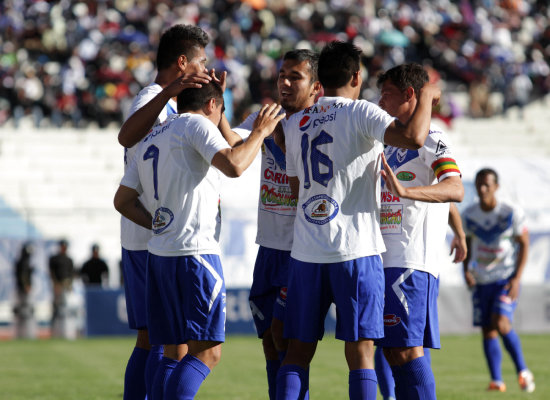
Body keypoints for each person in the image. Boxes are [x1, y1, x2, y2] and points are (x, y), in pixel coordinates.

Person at [277, 41, 440, 400]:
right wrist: (427, 95)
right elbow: (413, 137)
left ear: (319, 79)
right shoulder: (361, 112)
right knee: (362, 354)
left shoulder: (295, 122)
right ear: (356, 76)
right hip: (356, 249)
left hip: (306, 252)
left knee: (297, 353)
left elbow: (293, 188)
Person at [114, 81, 285, 399]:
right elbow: (234, 165)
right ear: (211, 106)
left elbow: (122, 201)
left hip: (160, 255)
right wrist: (260, 132)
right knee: (208, 352)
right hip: (195, 254)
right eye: (221, 111)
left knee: (171, 352)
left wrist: (160, 224)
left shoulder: (154, 135)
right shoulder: (195, 123)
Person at [117, 24, 213, 400]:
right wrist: (169, 93)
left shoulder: (170, 103)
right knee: (160, 338)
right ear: (182, 62)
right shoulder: (153, 96)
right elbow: (128, 136)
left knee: (161, 338)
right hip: (151, 234)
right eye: (202, 61)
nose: (206, 69)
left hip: (156, 232)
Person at [228, 49, 321, 400]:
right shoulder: (266, 116)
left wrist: (277, 140)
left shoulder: (321, 122)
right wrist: (220, 114)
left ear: (316, 87)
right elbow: (233, 144)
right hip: (268, 246)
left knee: (287, 337)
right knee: (269, 339)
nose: (284, 82)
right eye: (282, 74)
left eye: (294, 76)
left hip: (302, 249)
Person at [374, 63, 464, 400]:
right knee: (392, 350)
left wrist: (406, 192)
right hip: (383, 257)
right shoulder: (385, 140)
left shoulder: (433, 138)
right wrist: (460, 232)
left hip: (411, 260)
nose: (380, 102)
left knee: (407, 351)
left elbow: (454, 189)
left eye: (387, 95)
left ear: (410, 95)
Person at [462, 168, 535, 393]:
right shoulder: (469, 215)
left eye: (487, 185)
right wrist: (466, 270)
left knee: (501, 322)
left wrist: (517, 278)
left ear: (496, 187)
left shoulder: (509, 213)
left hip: (506, 278)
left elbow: (524, 242)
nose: (482, 189)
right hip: (482, 279)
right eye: (479, 185)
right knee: (488, 329)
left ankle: (523, 372)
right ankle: (497, 381)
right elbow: (466, 243)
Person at [48, 239, 75, 337]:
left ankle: (67, 331)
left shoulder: (69, 259)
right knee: (56, 308)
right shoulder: (55, 259)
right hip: (58, 285)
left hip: (66, 285)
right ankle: (54, 331)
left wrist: (70, 284)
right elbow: (51, 272)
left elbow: (71, 273)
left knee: (66, 309)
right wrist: (55, 284)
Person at [14, 242, 36, 338]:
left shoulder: (23, 262)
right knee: (25, 312)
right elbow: (23, 275)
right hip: (23, 290)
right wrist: (26, 285)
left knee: (25, 311)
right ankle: (24, 333)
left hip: (22, 289)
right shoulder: (23, 262)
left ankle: (25, 333)